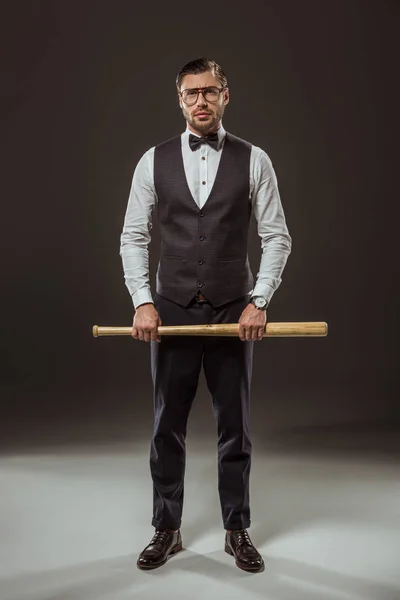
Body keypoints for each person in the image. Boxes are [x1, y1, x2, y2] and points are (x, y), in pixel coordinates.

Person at [120, 57, 292, 573]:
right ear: (179, 99)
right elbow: (133, 236)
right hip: (170, 310)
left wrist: (258, 300)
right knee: (165, 425)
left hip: (232, 310)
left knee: (234, 427)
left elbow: (276, 236)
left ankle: (236, 529)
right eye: (191, 93)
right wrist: (142, 301)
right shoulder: (152, 162)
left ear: (225, 95)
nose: (201, 101)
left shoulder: (254, 159)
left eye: (210, 91)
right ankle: (166, 528)